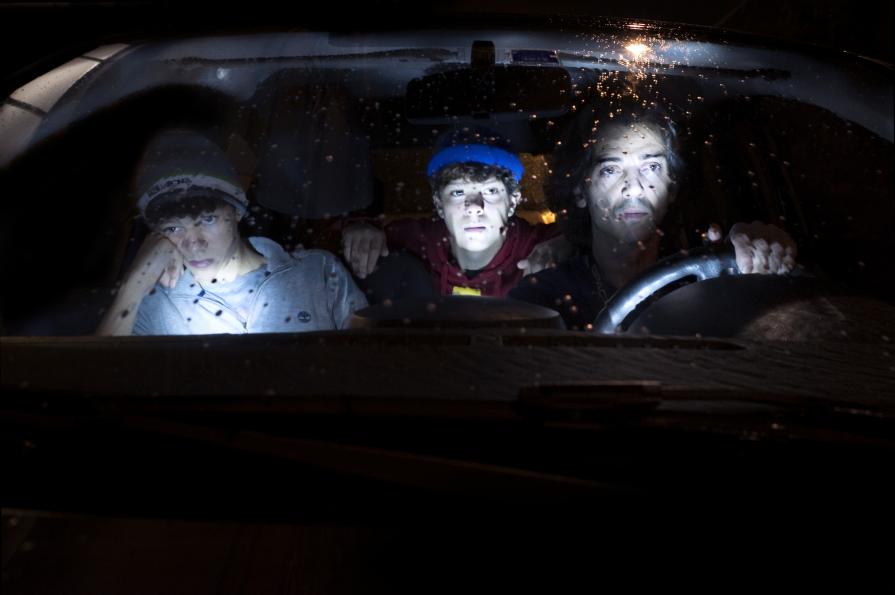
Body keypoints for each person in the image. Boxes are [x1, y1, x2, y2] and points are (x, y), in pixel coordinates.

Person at [509, 106, 797, 330]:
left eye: (651, 167)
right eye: (610, 170)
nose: (634, 188)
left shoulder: (715, 277)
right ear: (580, 191)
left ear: (671, 188)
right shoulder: (544, 297)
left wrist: (763, 259)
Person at [96, 129, 367, 336]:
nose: (194, 243)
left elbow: (371, 362)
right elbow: (98, 375)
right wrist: (133, 285)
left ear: (237, 211)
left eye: (207, 220)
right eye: (174, 228)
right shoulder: (157, 303)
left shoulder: (318, 272)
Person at [340, 127, 569, 298]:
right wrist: (360, 227)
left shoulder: (540, 247)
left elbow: (585, 235)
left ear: (513, 202)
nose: (474, 206)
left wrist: (566, 243)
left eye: (490, 191)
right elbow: (335, 242)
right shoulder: (420, 240)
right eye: (458, 192)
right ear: (439, 204)